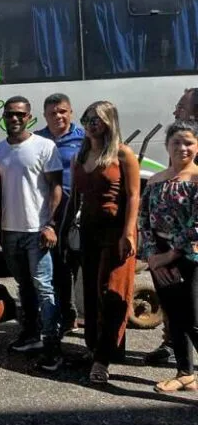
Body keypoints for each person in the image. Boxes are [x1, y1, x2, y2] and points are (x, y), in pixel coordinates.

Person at [0, 96, 64, 371]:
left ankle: (52, 346)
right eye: (10, 114)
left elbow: (56, 187)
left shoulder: (45, 146)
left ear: (29, 116)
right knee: (24, 287)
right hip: (10, 231)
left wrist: (51, 224)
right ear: (4, 117)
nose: (15, 119)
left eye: (20, 114)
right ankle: (31, 335)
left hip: (37, 231)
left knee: (44, 288)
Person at [68, 101, 140, 384]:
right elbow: (76, 196)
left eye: (97, 119)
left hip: (115, 230)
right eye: (87, 119)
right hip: (88, 229)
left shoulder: (123, 153)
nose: (91, 124)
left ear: (110, 122)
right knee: (92, 292)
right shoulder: (82, 152)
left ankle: (103, 359)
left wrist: (129, 233)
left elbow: (134, 196)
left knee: (113, 293)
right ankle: (96, 348)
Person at [138, 121, 198, 392]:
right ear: (167, 146)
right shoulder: (155, 180)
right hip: (160, 258)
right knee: (174, 316)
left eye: (188, 142)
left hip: (190, 257)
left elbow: (196, 225)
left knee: (194, 319)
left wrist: (171, 255)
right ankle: (185, 373)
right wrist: (152, 256)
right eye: (176, 142)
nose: (182, 148)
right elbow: (144, 220)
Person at [36, 93, 85, 334]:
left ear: (71, 112)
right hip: (47, 214)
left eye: (63, 111)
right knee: (52, 265)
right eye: (53, 112)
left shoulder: (83, 138)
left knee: (70, 264)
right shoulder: (37, 139)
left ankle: (70, 314)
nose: (58, 116)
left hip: (75, 213)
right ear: (45, 116)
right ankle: (58, 314)